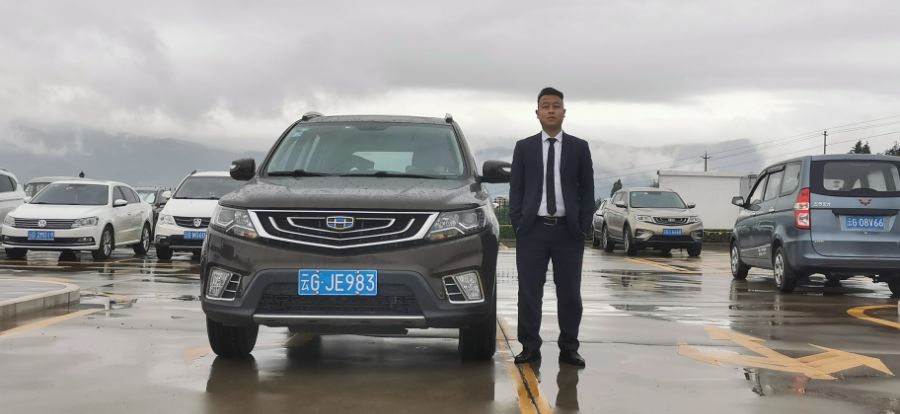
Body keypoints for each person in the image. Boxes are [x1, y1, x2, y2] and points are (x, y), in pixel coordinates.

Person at [508, 87, 594, 368]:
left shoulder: (579, 147)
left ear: (564, 112)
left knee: (569, 293)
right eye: (545, 106)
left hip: (568, 232)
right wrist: (519, 223)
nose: (551, 110)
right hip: (532, 231)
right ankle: (529, 347)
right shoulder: (524, 147)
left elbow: (587, 190)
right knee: (529, 293)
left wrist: (582, 226)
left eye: (556, 106)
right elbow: (516, 189)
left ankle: (569, 348)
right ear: (537, 113)